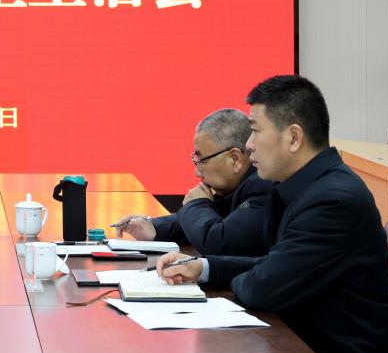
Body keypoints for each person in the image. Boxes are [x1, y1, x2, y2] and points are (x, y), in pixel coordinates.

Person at [156, 75, 388, 353]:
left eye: (256, 131)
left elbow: (264, 286)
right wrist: (204, 267)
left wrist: (244, 275)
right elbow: (277, 266)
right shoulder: (304, 187)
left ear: (293, 138)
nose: (249, 145)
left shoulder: (332, 202)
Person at [115, 108, 272, 256]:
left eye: (202, 160)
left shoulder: (262, 188)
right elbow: (215, 217)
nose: (196, 173)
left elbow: (221, 244)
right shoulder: (239, 187)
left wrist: (197, 205)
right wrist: (155, 228)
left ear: (235, 159)